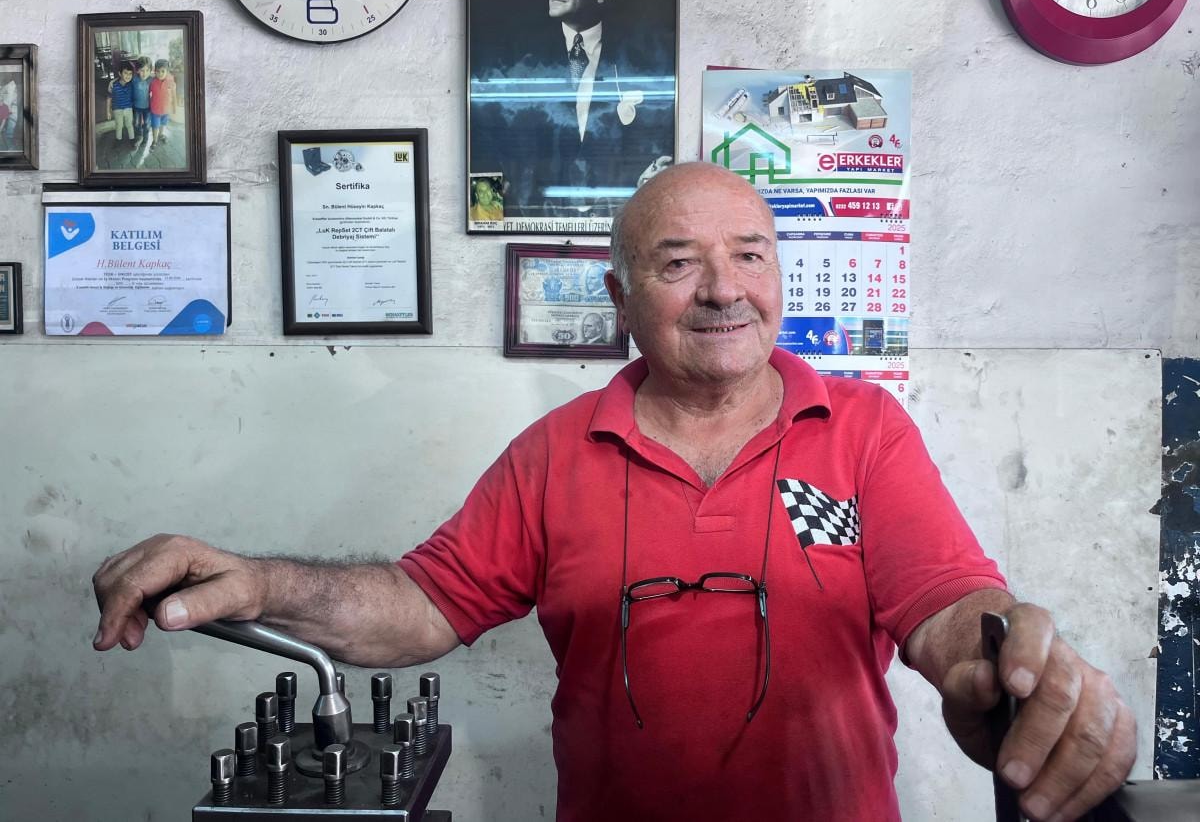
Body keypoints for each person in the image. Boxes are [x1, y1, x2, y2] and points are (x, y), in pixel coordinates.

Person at [93, 163, 1134, 822]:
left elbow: (945, 603)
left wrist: (1003, 670)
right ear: (620, 299)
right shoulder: (555, 454)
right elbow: (419, 606)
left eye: (750, 255)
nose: (723, 289)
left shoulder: (861, 431)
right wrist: (260, 582)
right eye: (679, 264)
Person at [469, 0, 674, 219]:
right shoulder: (516, 61)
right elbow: (483, 142)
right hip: (530, 219)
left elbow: (659, 147)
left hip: (616, 221)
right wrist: (486, 218)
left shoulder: (642, 60)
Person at [148, 58, 177, 150]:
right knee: (155, 126)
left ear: (167, 71)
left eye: (162, 71)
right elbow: (147, 93)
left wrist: (174, 107)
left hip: (166, 110)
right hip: (155, 110)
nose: (160, 74)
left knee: (163, 124)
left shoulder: (171, 81)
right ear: (154, 71)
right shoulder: (152, 82)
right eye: (157, 71)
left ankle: (161, 135)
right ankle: (154, 140)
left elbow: (174, 95)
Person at [107, 63, 136, 146]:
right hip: (117, 109)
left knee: (129, 125)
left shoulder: (132, 83)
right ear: (120, 73)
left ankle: (132, 139)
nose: (128, 76)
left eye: (130, 74)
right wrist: (108, 111)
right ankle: (118, 140)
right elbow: (109, 98)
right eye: (125, 73)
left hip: (128, 109)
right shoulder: (113, 84)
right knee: (119, 125)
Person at [131, 58, 152, 148]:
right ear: (137, 70)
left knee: (146, 124)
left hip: (148, 107)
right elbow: (124, 81)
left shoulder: (152, 79)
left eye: (147, 70)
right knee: (136, 123)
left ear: (150, 70)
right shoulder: (134, 80)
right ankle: (139, 137)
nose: (145, 73)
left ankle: (145, 138)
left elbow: (162, 79)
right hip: (136, 107)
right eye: (142, 70)